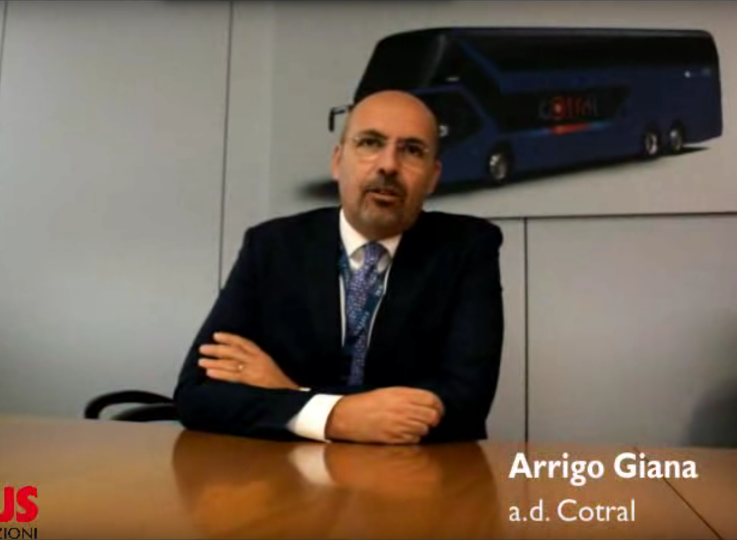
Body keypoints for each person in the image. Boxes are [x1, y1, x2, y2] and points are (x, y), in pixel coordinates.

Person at [173, 90, 504, 444]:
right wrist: (336, 416)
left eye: (411, 150)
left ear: (433, 176)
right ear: (337, 161)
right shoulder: (272, 246)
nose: (388, 165)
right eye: (370, 143)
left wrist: (294, 393)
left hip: (413, 471)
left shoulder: (467, 247)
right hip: (286, 472)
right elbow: (197, 393)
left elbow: (465, 404)